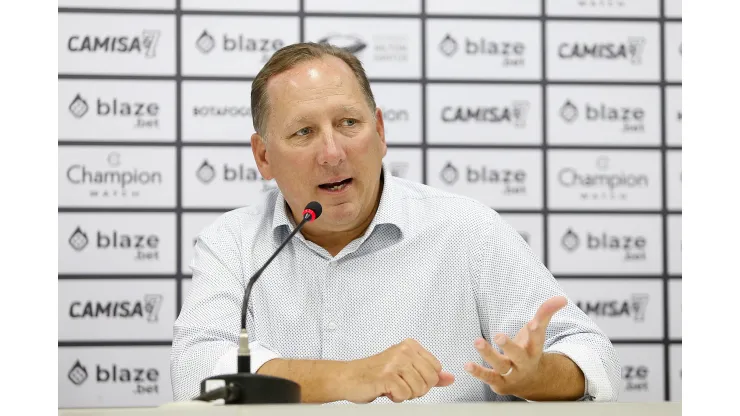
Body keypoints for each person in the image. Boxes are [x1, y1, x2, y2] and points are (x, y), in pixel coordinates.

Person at [170, 42, 620, 404]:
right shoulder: (232, 243)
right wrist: (350, 377)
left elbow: (593, 357)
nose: (332, 152)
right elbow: (196, 365)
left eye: (349, 123)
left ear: (380, 132)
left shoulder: (467, 230)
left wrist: (538, 376)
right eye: (303, 132)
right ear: (264, 157)